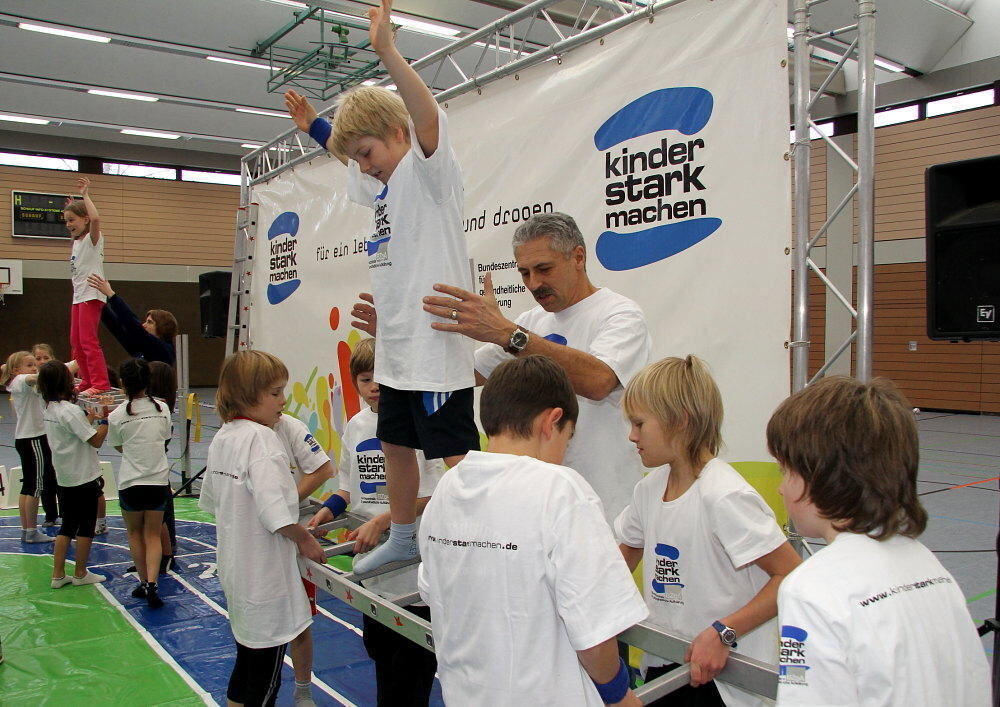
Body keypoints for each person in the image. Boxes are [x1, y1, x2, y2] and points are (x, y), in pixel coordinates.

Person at [285, 0, 477, 574]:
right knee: (395, 443)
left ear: (397, 135)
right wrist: (319, 128)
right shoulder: (383, 186)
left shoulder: (427, 173)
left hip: (435, 347)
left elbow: (425, 116)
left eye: (368, 154)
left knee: (452, 450)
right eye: (358, 161)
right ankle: (405, 534)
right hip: (395, 347)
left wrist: (388, 52)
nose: (363, 167)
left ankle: (474, 539)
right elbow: (349, 149)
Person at [417, 355, 649, 706]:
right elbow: (596, 632)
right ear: (552, 421)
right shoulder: (559, 489)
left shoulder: (448, 490)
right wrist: (619, 695)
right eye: (567, 439)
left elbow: (433, 589)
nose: (563, 453)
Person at [412, 211, 651, 522]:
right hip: (538, 503)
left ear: (578, 257)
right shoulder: (529, 322)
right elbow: (460, 374)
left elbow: (599, 380)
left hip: (603, 502)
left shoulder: (619, 314)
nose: (534, 283)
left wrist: (509, 335)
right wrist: (401, 338)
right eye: (524, 273)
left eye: (544, 269)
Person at [767, 376, 991, 706]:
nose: (780, 488)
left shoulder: (811, 587)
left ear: (819, 476)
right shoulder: (927, 563)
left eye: (786, 471)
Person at [614, 356, 801, 706]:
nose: (632, 435)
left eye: (639, 423)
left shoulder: (725, 496)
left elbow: (789, 575)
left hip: (723, 678)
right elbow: (624, 553)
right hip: (665, 661)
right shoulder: (648, 490)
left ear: (680, 422)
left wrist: (725, 632)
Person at [308, 337, 443, 706]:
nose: (375, 388)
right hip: (372, 573)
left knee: (411, 671)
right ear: (355, 382)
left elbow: (434, 495)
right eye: (366, 379)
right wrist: (330, 509)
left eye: (382, 379)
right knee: (381, 658)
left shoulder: (420, 423)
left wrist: (384, 521)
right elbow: (349, 488)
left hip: (413, 572)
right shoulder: (356, 425)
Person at [198, 351, 325, 707]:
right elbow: (277, 514)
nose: (283, 401)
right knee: (264, 679)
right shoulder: (263, 440)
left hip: (237, 572)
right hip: (266, 580)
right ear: (246, 395)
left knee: (247, 664)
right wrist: (305, 540)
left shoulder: (225, 436)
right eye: (274, 393)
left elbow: (211, 499)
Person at [271, 407, 334, 707]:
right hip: (257, 543)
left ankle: (303, 690)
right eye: (273, 392)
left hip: (292, 534)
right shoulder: (234, 435)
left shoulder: (289, 427)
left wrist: (284, 503)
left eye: (281, 391)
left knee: (300, 620)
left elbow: (323, 469)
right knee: (262, 620)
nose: (281, 399)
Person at [37, 360, 109, 587]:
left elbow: (75, 431)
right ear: (64, 382)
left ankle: (58, 574)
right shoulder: (69, 410)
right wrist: (106, 420)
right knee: (86, 526)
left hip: (65, 477)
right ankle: (80, 573)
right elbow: (95, 440)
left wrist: (89, 418)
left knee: (67, 525)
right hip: (83, 477)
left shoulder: (50, 408)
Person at [107, 358, 173, 609]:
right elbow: (164, 437)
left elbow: (118, 445)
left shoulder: (117, 415)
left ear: (122, 383)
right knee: (153, 534)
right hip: (157, 481)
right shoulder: (162, 409)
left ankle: (144, 581)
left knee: (135, 534)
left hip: (131, 482)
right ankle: (154, 583)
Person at [1, 351, 55, 543]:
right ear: (16, 370)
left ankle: (27, 530)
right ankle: (31, 530)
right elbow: (33, 376)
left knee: (28, 486)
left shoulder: (18, 381)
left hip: (26, 439)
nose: (35, 367)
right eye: (30, 364)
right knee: (35, 487)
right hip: (34, 439)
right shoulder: (22, 380)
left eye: (35, 364)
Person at [65, 177, 111, 395]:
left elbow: (95, 218)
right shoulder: (77, 242)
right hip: (78, 296)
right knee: (75, 341)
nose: (68, 225)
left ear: (84, 219)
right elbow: (83, 219)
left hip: (91, 294)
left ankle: (100, 383)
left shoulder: (93, 240)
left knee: (88, 341)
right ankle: (86, 380)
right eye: (66, 221)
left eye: (72, 220)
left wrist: (85, 196)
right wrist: (73, 208)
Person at [86, 274, 178, 366]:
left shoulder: (165, 350)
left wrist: (111, 295)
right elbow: (118, 329)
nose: (144, 325)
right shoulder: (144, 346)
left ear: (162, 327)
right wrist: (100, 303)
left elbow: (133, 325)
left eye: (150, 322)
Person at [30, 343, 66, 525]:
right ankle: (50, 514)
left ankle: (65, 513)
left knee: (60, 472)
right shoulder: (30, 381)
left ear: (53, 359)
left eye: (46, 358)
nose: (42, 361)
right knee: (46, 475)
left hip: (57, 433)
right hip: (41, 434)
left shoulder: (58, 379)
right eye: (38, 358)